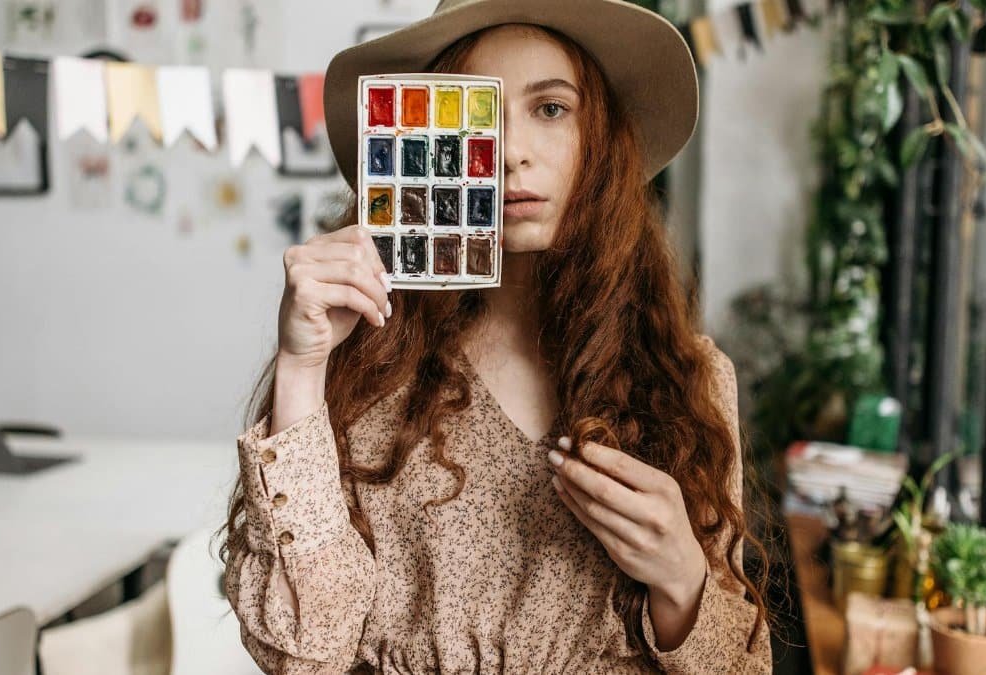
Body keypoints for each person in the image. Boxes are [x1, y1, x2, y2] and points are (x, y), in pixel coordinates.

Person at [219, 1, 772, 672]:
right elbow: (304, 657)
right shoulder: (359, 369)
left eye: (550, 109)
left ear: (601, 141)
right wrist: (302, 368)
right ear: (429, 140)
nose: (511, 152)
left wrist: (682, 578)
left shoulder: (690, 378)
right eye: (478, 114)